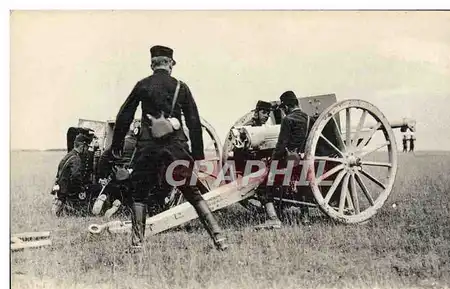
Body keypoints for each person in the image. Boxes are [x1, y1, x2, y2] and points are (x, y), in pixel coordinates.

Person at [111, 45, 228, 252]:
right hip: (176, 149)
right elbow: (193, 121)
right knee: (192, 193)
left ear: (152, 64)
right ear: (170, 64)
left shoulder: (142, 85)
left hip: (148, 150)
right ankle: (220, 239)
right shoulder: (181, 87)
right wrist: (199, 156)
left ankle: (137, 246)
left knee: (139, 194)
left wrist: (117, 145)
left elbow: (124, 115)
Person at [255, 91, 313, 230]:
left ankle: (273, 219)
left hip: (288, 160)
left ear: (286, 106)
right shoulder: (308, 118)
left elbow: (281, 145)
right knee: (301, 185)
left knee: (263, 186)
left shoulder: (288, 120)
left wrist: (272, 162)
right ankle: (305, 216)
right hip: (303, 160)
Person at [51, 134, 89, 216]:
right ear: (82, 146)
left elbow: (59, 170)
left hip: (61, 188)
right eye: (86, 147)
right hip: (66, 191)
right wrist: (81, 188)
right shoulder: (76, 158)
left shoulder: (69, 155)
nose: (86, 149)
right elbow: (75, 176)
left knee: (58, 209)